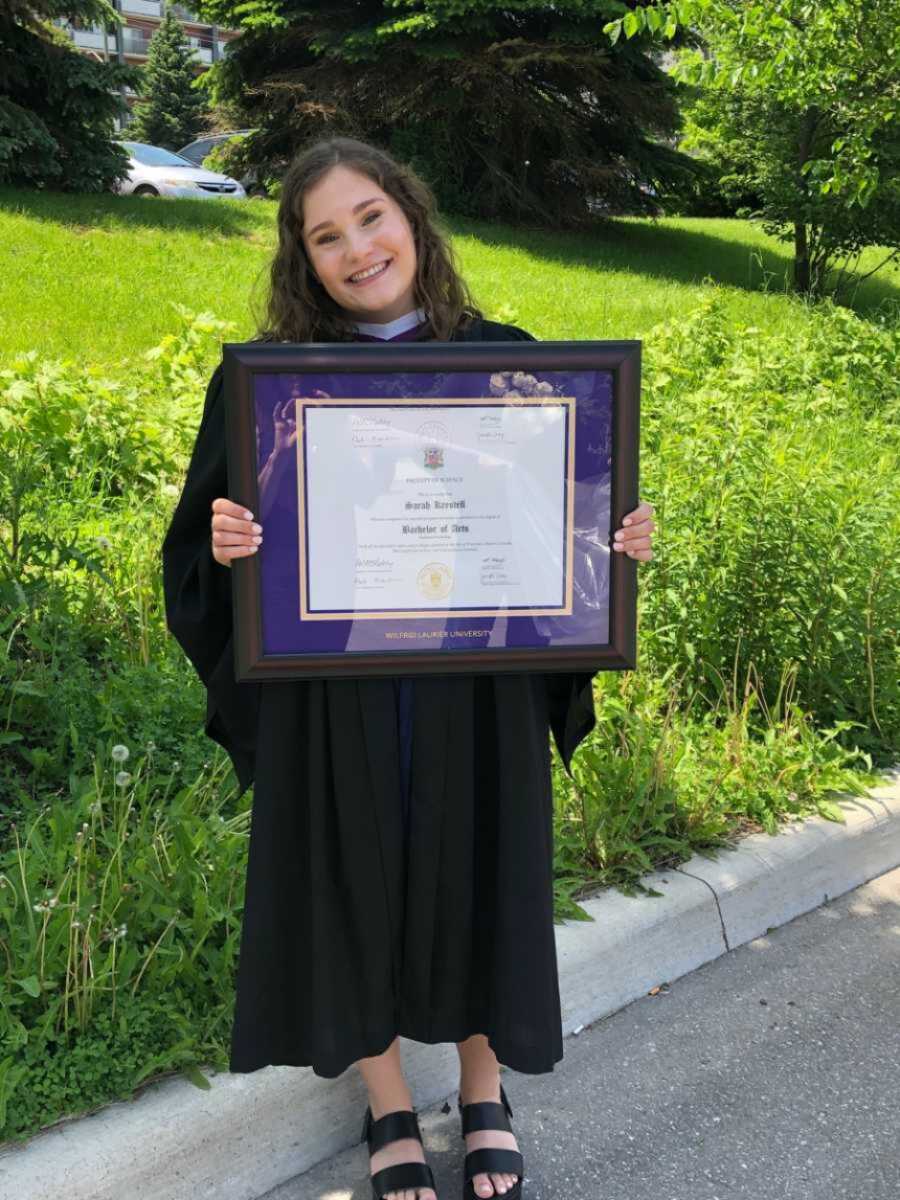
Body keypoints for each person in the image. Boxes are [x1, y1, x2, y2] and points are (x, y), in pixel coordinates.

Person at [162, 136, 655, 1200]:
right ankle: (388, 1103)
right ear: (304, 258)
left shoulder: (511, 362)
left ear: (413, 219)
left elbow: (562, 523)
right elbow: (201, 549)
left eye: (370, 218)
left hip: (475, 686)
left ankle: (484, 1092)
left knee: (484, 865)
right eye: (326, 235)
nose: (356, 248)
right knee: (347, 880)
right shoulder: (268, 387)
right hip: (336, 695)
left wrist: (611, 546)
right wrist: (232, 545)